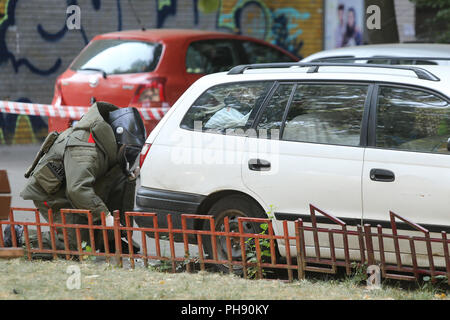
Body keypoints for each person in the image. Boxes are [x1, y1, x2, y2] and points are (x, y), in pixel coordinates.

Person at [19, 102, 145, 257]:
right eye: (130, 149)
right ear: (118, 137)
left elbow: (112, 189)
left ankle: (111, 239)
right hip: (53, 193)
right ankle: (18, 235)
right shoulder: (86, 146)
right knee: (77, 247)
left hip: (74, 189)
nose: (131, 156)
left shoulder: (108, 145)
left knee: (119, 178)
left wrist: (129, 182)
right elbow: (77, 189)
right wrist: (105, 216)